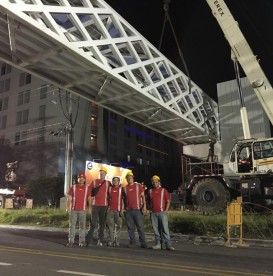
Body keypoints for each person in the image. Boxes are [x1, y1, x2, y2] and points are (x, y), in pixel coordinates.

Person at [147, 175, 174, 251]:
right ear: (152, 183)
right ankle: (158, 244)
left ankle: (168, 245)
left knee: (165, 229)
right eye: (153, 182)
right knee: (156, 230)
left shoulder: (163, 190)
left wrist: (165, 211)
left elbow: (168, 201)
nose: (155, 183)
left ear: (159, 182)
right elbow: (148, 202)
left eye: (156, 182)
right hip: (153, 213)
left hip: (162, 213)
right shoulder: (150, 191)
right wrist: (149, 209)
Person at [86, 167, 111, 246]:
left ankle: (100, 240)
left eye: (103, 173)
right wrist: (89, 205)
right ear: (99, 173)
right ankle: (88, 240)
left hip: (104, 206)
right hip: (95, 205)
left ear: (105, 174)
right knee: (93, 223)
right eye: (101, 172)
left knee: (102, 224)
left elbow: (112, 193)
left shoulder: (108, 183)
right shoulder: (94, 181)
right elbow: (89, 192)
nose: (102, 174)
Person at [66, 172, 92, 247]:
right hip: (74, 210)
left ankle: (82, 241)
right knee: (72, 226)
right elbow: (69, 198)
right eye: (80, 178)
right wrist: (68, 207)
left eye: (82, 178)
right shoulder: (73, 187)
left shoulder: (87, 188)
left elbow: (89, 199)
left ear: (84, 179)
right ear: (78, 179)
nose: (81, 180)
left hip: (83, 210)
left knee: (82, 226)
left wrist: (90, 208)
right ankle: (71, 241)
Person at [123, 171, 148, 248]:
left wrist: (144, 207)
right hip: (129, 211)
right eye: (128, 177)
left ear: (133, 178)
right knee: (130, 228)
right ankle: (132, 242)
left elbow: (143, 197)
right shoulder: (125, 188)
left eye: (131, 177)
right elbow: (124, 199)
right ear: (126, 179)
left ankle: (143, 243)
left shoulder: (138, 186)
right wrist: (123, 208)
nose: (129, 179)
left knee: (140, 227)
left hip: (138, 210)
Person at [106, 176, 124, 247]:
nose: (115, 181)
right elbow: (107, 198)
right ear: (112, 181)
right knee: (110, 227)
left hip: (118, 210)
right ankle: (110, 241)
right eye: (114, 180)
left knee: (119, 226)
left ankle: (117, 242)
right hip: (110, 210)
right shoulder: (109, 189)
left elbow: (123, 200)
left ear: (119, 182)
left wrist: (122, 209)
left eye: (117, 180)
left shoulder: (121, 189)